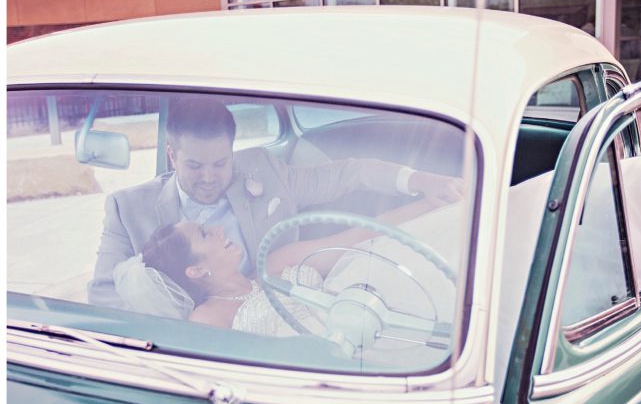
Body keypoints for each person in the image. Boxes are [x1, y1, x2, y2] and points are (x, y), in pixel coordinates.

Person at [88, 94, 463, 307]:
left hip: (304, 291)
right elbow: (105, 304)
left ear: (233, 150)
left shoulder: (264, 170)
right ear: (171, 156)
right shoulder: (127, 209)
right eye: (194, 165)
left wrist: (421, 181)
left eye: (220, 163)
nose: (208, 177)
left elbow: (349, 174)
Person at [138, 192, 443, 333]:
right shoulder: (207, 320)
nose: (219, 230)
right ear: (196, 270)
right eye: (205, 234)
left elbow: (359, 236)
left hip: (378, 319)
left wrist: (432, 203)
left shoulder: (274, 262)